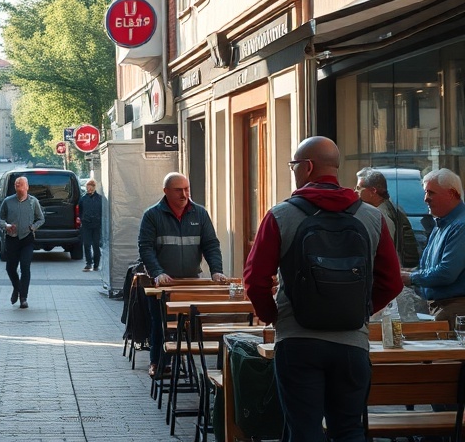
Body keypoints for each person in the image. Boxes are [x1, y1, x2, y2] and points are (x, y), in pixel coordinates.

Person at [244, 136, 402, 442]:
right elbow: (392, 282)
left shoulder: (281, 215)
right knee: (348, 430)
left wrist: (273, 316)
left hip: (298, 341)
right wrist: (361, 310)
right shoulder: (371, 217)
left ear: (307, 168)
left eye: (293, 165)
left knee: (304, 431)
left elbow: (254, 278)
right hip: (352, 343)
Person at [138, 172, 226, 377]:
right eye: (178, 190)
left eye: (187, 189)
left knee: (187, 324)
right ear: (166, 191)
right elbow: (145, 248)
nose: (184, 194)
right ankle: (159, 362)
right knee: (161, 323)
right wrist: (157, 273)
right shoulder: (152, 215)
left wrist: (216, 271)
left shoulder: (200, 214)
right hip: (162, 284)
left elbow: (211, 244)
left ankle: (182, 357)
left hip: (190, 282)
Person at [400, 167, 465, 325]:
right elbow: (429, 266)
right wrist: (409, 272)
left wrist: (410, 278)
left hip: (454, 308)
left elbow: (447, 272)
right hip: (441, 307)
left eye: (431, 193)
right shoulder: (442, 223)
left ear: (451, 193)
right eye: (425, 192)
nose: (425, 199)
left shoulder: (460, 225)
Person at [356, 167, 420, 267]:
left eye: (359, 188)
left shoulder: (381, 215)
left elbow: (384, 252)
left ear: (373, 191)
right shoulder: (389, 207)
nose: (355, 191)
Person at [0, 175, 45, 309]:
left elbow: (41, 218)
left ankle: (23, 297)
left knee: (25, 267)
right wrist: (6, 226)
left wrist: (33, 227)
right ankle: (17, 288)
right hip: (12, 239)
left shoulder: (33, 202)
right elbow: (0, 219)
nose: (19, 189)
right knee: (10, 268)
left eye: (22, 186)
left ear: (27, 187)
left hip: (27, 238)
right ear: (15, 187)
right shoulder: (8, 201)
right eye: (17, 186)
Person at [78, 177, 104, 272]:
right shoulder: (83, 199)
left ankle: (96, 264)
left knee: (96, 245)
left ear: (94, 187)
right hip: (86, 225)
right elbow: (80, 211)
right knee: (87, 244)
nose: (89, 189)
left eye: (91, 187)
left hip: (96, 226)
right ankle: (88, 264)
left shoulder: (100, 199)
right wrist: (83, 219)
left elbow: (102, 212)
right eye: (88, 187)